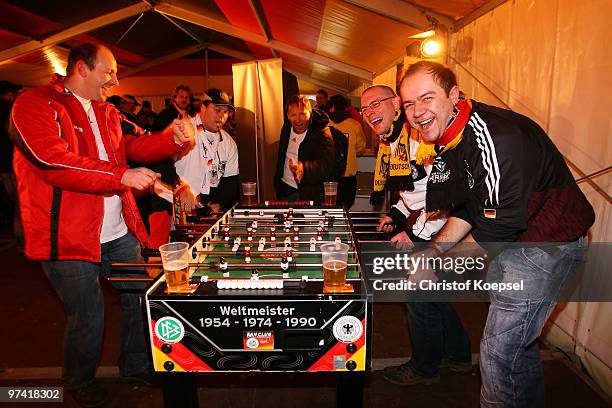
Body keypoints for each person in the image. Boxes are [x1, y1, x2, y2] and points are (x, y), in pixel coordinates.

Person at [399, 61, 595, 407]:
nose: (417, 112)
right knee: (518, 347)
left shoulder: (496, 134)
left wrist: (436, 267)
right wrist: (433, 253)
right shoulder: (451, 134)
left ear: (454, 95)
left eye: (426, 98)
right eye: (408, 104)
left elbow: (497, 226)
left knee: (499, 351)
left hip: (548, 244)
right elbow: (468, 209)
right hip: (515, 240)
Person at [8, 43, 193, 407]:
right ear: (81, 68)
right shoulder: (34, 103)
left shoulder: (107, 111)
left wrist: (170, 139)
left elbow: (134, 145)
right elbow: (53, 161)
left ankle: (135, 366)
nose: (114, 79)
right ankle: (79, 381)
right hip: (67, 235)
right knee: (88, 313)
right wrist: (121, 175)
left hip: (116, 230)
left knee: (142, 296)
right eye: (108, 72)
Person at [360, 84, 471, 386]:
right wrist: (394, 214)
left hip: (441, 229)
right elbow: (413, 191)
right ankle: (460, 356)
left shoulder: (420, 136)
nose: (369, 112)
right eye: (364, 108)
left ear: (397, 103)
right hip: (424, 225)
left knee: (419, 300)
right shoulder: (392, 140)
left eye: (375, 104)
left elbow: (445, 198)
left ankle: (424, 369)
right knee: (437, 297)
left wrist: (411, 233)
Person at [174, 88, 239, 214]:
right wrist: (181, 188)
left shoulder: (228, 142)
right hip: (178, 205)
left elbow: (230, 179)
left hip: (206, 209)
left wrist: (219, 204)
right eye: (218, 110)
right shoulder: (183, 129)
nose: (222, 116)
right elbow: (163, 165)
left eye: (226, 113)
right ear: (203, 107)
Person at [274, 95, 335, 203]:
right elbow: (282, 155)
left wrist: (304, 169)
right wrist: (277, 184)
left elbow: (328, 166)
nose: (298, 119)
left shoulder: (321, 132)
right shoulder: (287, 128)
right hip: (284, 190)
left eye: (302, 113)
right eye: (293, 114)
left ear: (310, 113)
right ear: (288, 116)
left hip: (308, 194)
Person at [328, 94, 366, 207]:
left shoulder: (325, 124)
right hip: (348, 177)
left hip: (329, 177)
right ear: (346, 107)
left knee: (329, 208)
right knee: (345, 208)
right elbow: (361, 148)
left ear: (332, 107)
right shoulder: (355, 125)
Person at [0, 80, 23, 249]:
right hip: (13, 163)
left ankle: (18, 238)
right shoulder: (11, 110)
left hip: (2, 166)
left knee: (13, 201)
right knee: (21, 203)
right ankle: (22, 240)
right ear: (9, 94)